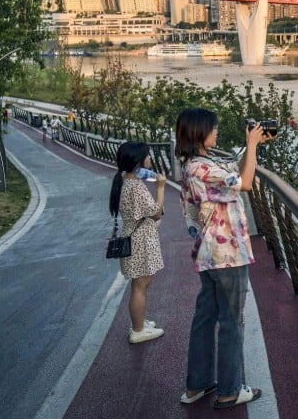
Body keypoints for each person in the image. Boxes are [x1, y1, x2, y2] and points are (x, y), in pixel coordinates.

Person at [176, 107, 270, 409]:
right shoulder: (203, 170)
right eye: (212, 128)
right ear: (199, 132)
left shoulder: (196, 164)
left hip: (208, 254)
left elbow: (235, 172)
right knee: (232, 321)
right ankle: (230, 390)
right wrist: (253, 146)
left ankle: (197, 385)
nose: (216, 131)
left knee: (205, 318)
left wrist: (250, 145)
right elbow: (244, 183)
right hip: (226, 253)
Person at [109, 141, 166, 344]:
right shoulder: (136, 187)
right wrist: (160, 187)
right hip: (141, 241)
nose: (149, 158)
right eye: (147, 155)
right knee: (140, 286)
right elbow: (156, 212)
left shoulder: (124, 180)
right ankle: (138, 330)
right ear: (137, 161)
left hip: (135, 237)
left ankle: (139, 322)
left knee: (139, 284)